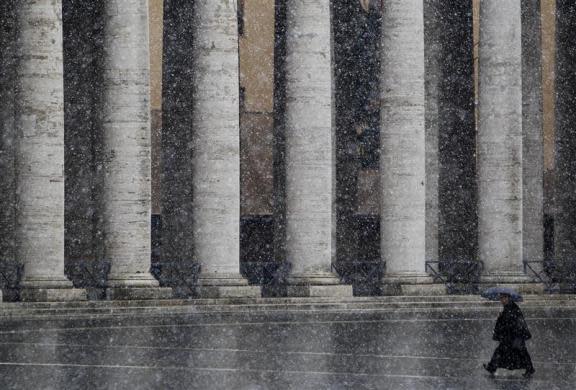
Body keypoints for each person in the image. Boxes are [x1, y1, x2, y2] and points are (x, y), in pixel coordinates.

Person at [483, 293, 535, 378]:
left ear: (508, 298)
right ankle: (492, 367)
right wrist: (501, 316)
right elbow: (508, 321)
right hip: (511, 335)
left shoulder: (512, 308)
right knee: (503, 351)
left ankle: (529, 369)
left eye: (503, 298)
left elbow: (512, 321)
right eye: (501, 299)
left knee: (520, 352)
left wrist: (501, 317)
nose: (502, 301)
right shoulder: (508, 307)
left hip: (514, 335)